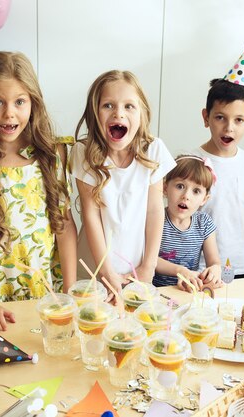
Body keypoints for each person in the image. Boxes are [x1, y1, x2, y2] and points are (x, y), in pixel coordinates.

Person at [0, 51, 77, 331]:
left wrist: (71, 293)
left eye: (19, 102)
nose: (9, 113)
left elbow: (63, 226)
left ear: (33, 103)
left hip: (46, 293)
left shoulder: (53, 154)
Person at [71, 70, 175, 296]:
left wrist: (148, 266)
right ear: (94, 112)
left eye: (129, 106)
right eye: (108, 105)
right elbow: (90, 215)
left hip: (136, 270)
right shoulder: (83, 153)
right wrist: (106, 271)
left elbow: (155, 212)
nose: (118, 113)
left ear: (142, 114)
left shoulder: (153, 150)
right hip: (94, 269)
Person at [194, 46, 244, 278]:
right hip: (201, 265)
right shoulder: (193, 162)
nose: (229, 127)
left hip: (240, 265)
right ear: (206, 118)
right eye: (220, 117)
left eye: (239, 120)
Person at [153, 155, 222, 292]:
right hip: (157, 293)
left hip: (188, 292)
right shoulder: (156, 218)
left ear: (204, 199)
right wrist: (181, 271)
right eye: (180, 186)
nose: (186, 196)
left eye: (196, 191)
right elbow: (150, 260)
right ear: (165, 188)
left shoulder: (204, 223)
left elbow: (214, 261)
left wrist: (215, 269)